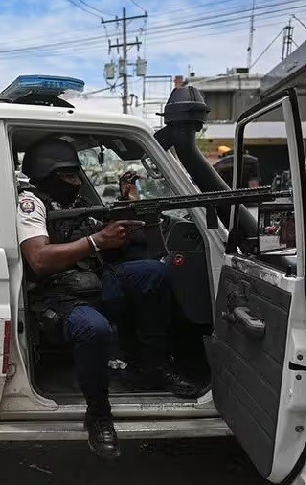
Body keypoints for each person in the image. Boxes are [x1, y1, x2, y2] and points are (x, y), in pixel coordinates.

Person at [16, 137, 200, 460]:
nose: (76, 183)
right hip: (58, 297)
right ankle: (99, 414)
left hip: (95, 283)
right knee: (94, 329)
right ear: (48, 175)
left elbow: (119, 243)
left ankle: (151, 367)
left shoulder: (75, 205)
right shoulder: (31, 204)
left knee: (153, 274)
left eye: (77, 176)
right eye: (70, 177)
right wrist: (97, 240)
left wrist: (130, 205)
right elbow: (39, 259)